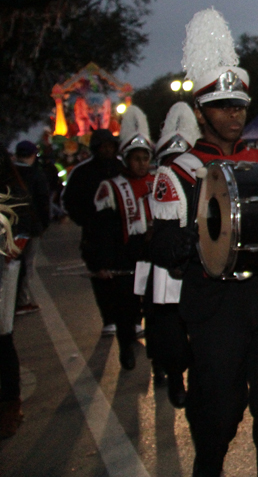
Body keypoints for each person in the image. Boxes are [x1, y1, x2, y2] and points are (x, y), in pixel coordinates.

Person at [148, 8, 258, 477]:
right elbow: (167, 252)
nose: (234, 114)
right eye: (222, 106)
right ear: (200, 111)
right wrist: (207, 231)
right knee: (216, 415)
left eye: (238, 105)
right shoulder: (177, 173)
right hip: (216, 309)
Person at [138, 102, 200, 406]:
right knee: (165, 325)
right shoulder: (156, 182)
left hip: (195, 260)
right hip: (163, 265)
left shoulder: (205, 178)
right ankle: (171, 373)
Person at [88, 106, 155, 370]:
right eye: (136, 158)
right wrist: (102, 262)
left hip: (153, 257)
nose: (141, 163)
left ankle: (160, 359)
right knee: (125, 310)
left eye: (145, 158)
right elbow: (101, 231)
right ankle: (126, 346)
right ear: (126, 160)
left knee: (155, 308)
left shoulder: (159, 182)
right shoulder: (111, 187)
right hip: (124, 258)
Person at [61, 129, 125, 336]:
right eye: (103, 146)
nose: (107, 149)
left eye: (110, 145)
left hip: (122, 233)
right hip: (96, 235)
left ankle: (130, 318)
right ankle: (109, 319)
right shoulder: (82, 173)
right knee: (101, 277)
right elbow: (70, 201)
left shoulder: (122, 168)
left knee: (124, 277)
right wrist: (87, 221)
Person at [0, 160, 26, 438]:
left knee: (2, 334)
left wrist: (13, 246)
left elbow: (25, 222)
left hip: (4, 266)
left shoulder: (11, 187)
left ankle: (10, 402)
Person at [12, 141, 49, 316]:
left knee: (10, 264)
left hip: (10, 226)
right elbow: (43, 202)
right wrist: (44, 225)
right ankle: (21, 301)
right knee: (26, 265)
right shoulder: (36, 175)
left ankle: (8, 300)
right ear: (33, 155)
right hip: (30, 227)